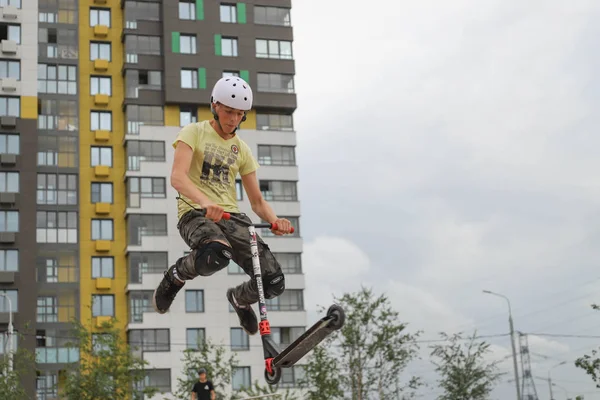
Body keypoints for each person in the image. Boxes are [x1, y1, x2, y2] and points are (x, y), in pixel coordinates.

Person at [152, 75, 293, 336]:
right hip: (195, 214)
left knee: (273, 281)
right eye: (228, 112)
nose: (232, 119)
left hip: (232, 218)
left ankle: (240, 299)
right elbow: (177, 177)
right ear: (215, 106)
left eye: (239, 114)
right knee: (215, 254)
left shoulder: (242, 150)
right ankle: (176, 276)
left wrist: (276, 220)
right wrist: (205, 202)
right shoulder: (193, 132)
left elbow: (257, 201)